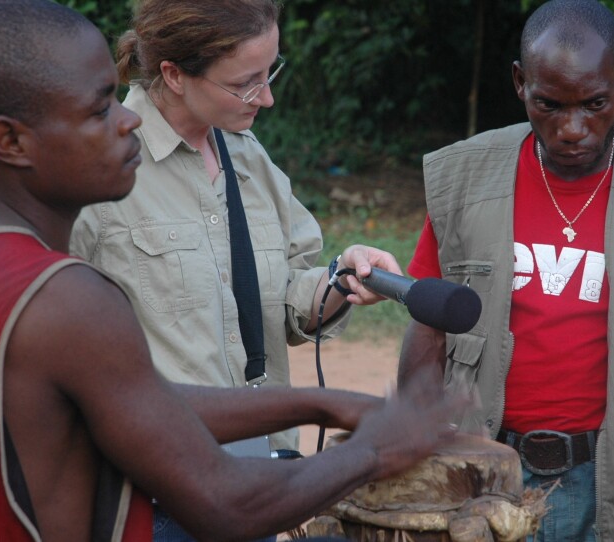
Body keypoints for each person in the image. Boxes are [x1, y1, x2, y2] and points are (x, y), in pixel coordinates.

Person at [0, 1, 464, 541]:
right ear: (11, 141)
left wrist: (324, 403)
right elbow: (223, 501)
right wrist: (376, 448)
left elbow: (139, 396)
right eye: (100, 110)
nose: (128, 122)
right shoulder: (63, 299)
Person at [397, 1, 614, 540]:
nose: (572, 129)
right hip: (486, 469)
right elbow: (429, 325)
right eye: (549, 105)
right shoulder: (463, 180)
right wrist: (412, 444)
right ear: (519, 84)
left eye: (595, 104)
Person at [67, 2, 405, 538]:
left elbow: (284, 305)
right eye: (246, 83)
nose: (266, 98)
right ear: (175, 75)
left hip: (255, 483)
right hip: (151, 499)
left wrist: (341, 277)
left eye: (270, 73)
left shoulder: (248, 158)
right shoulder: (100, 169)